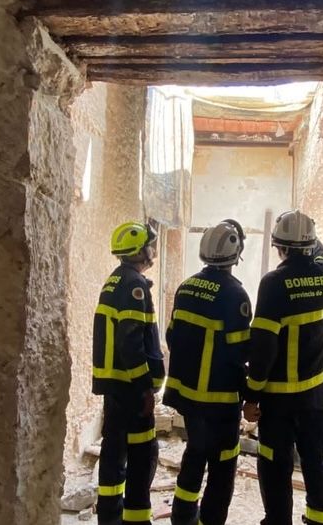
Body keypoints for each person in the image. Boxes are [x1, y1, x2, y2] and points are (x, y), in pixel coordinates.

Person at [243, 210, 323, 525]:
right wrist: (305, 226)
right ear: (310, 244)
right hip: (316, 395)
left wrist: (252, 394)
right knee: (314, 460)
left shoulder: (273, 284)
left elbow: (264, 347)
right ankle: (321, 519)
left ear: (279, 246)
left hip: (280, 399)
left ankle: (277, 521)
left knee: (275, 463)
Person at [163, 220, 252, 525]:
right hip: (220, 399)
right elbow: (242, 351)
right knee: (223, 464)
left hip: (187, 395)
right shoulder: (235, 295)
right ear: (235, 253)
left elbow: (172, 337)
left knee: (195, 453)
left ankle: (182, 518)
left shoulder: (186, 287)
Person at [92, 221, 166, 525]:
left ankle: (109, 517)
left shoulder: (115, 281)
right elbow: (130, 340)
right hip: (130, 388)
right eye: (151, 245)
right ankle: (136, 519)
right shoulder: (134, 286)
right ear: (140, 250)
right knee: (141, 454)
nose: (154, 251)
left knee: (113, 452)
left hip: (115, 387)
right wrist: (144, 388)